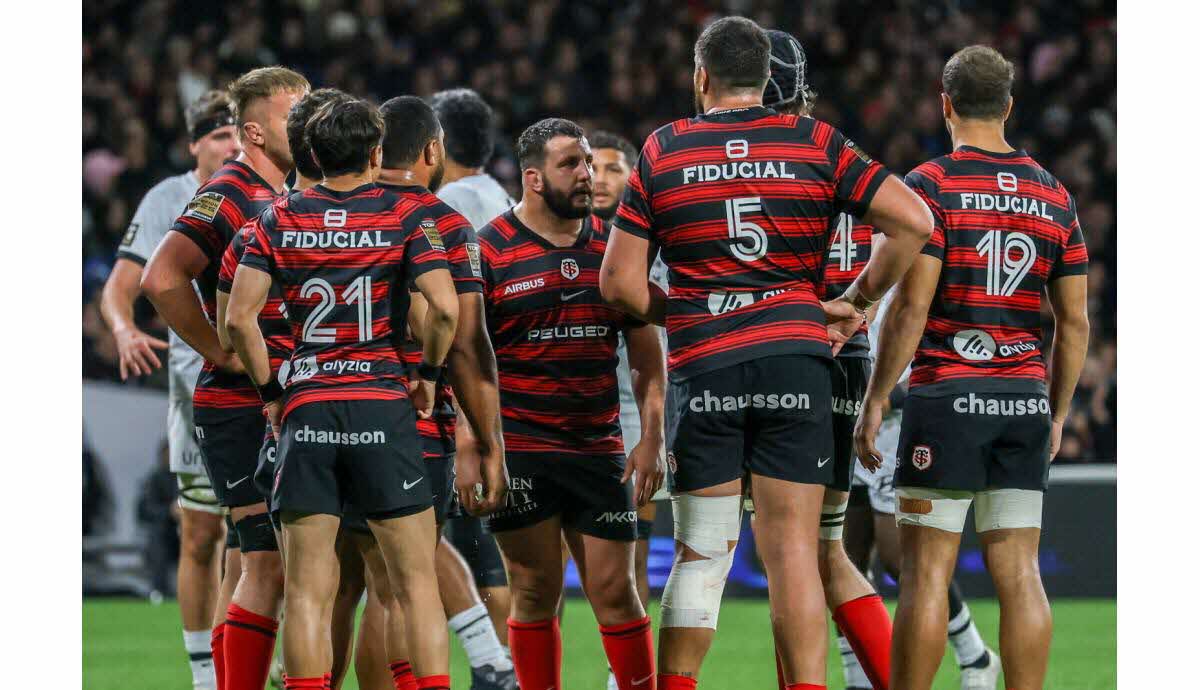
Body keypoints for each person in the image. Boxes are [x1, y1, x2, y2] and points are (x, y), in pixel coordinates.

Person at [599, 17, 933, 690]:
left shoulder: (665, 149)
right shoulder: (814, 141)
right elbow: (915, 222)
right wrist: (857, 300)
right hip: (795, 362)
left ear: (702, 77)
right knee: (795, 558)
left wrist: (691, 306)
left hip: (706, 368)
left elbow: (619, 285)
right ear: (768, 79)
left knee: (701, 558)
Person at [854, 45, 1090, 690]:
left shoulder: (930, 186)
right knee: (1021, 573)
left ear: (945, 104)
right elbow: (1073, 324)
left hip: (946, 398)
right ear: (1010, 106)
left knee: (928, 574)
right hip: (1022, 401)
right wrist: (1059, 410)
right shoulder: (1055, 195)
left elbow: (910, 308)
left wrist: (877, 397)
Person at [225, 96, 460, 690]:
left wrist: (271, 394)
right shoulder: (405, 214)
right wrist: (428, 377)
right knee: (414, 585)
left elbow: (237, 319)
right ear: (376, 151)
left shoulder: (278, 218)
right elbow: (445, 309)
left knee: (308, 590)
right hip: (382, 403)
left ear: (311, 153)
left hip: (308, 405)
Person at [478, 118, 665, 690]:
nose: (587, 175)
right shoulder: (488, 249)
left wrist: (652, 437)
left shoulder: (614, 250)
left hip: (597, 446)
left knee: (618, 591)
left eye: (588, 162)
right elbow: (469, 361)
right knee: (534, 592)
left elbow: (644, 354)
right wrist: (476, 444)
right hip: (523, 448)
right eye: (571, 165)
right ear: (533, 178)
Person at [142, 66, 310, 690]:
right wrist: (221, 348)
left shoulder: (284, 190)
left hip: (277, 396)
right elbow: (161, 277)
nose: (307, 121)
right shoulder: (232, 189)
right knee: (267, 559)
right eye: (294, 113)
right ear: (254, 131)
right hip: (242, 402)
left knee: (247, 556)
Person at [350, 94, 514, 690]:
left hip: (318, 414)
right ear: (431, 150)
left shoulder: (320, 210)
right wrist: (485, 437)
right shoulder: (439, 219)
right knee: (409, 580)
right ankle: (489, 661)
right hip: (409, 418)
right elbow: (462, 338)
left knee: (354, 587)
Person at [99, 89, 239, 690]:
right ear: (194, 145)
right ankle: (206, 676)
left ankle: (250, 662)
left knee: (262, 534)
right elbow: (120, 286)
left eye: (238, 133)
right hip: (194, 389)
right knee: (203, 532)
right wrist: (124, 328)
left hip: (263, 384)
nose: (231, 144)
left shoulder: (269, 187)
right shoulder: (168, 199)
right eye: (217, 136)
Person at [846, 288, 1001, 690]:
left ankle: (975, 654)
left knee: (900, 557)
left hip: (895, 426)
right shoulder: (852, 252)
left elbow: (948, 345)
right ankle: (858, 676)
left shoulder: (921, 265)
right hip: (846, 415)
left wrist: (887, 396)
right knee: (844, 554)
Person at [430, 87, 516, 648]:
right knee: (494, 548)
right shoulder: (503, 199)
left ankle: (493, 665)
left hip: (464, 394)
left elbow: (456, 318)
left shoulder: (450, 204)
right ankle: (510, 664)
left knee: (420, 548)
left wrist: (463, 423)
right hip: (507, 388)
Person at [591, 129, 668, 690]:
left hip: (639, 416)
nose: (599, 178)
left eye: (613, 169)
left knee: (633, 556)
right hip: (580, 420)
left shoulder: (656, 242)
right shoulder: (570, 241)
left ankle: (627, 680)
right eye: (591, 167)